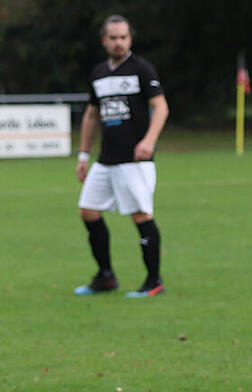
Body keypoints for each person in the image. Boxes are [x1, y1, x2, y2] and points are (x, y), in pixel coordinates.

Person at [74, 14, 168, 298]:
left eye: (123, 37)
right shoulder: (99, 73)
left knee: (140, 215)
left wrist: (149, 141)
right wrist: (82, 154)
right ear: (104, 40)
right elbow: (92, 115)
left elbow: (161, 107)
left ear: (130, 39)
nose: (118, 43)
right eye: (113, 38)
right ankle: (105, 276)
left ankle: (154, 281)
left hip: (134, 160)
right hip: (106, 159)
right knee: (88, 211)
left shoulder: (141, 69)